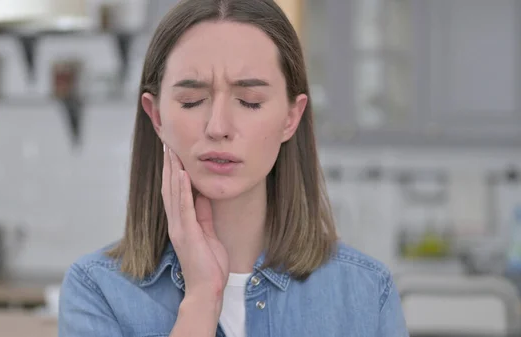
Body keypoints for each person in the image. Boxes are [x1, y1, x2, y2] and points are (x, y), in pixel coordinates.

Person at [58, 0, 409, 336]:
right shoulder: (97, 290)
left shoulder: (366, 292)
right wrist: (201, 300)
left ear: (291, 117)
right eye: (192, 101)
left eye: (250, 102)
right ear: (157, 116)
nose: (218, 126)